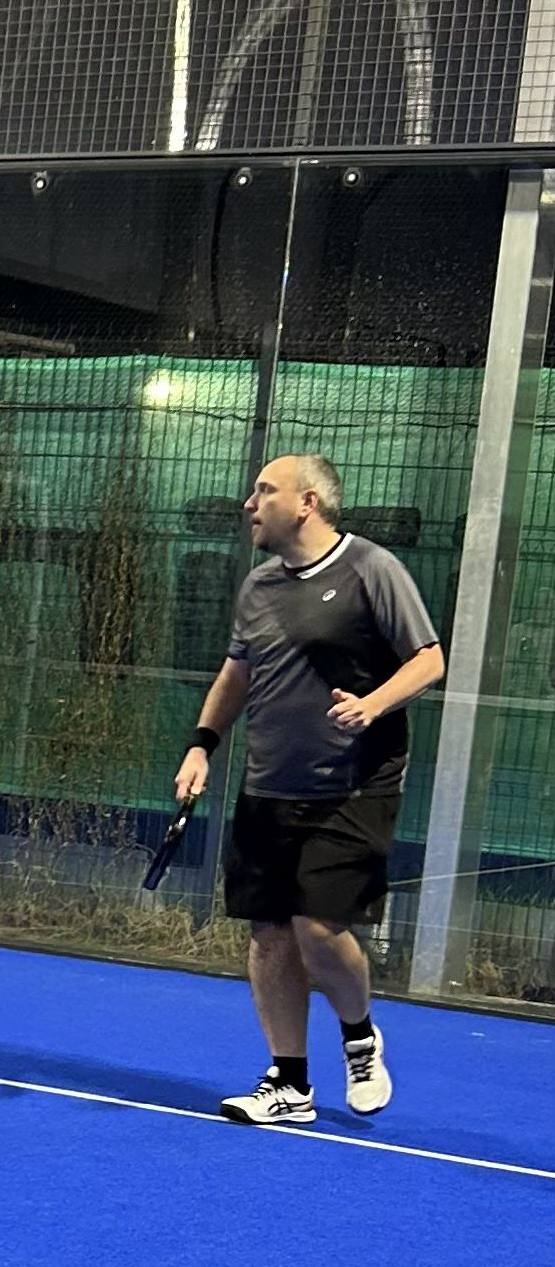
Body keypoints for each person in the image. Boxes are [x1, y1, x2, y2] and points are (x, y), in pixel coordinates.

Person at [175, 455, 445, 1124]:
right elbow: (237, 674)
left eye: (265, 491)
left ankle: (359, 1037)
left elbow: (428, 659)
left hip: (355, 785)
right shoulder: (259, 586)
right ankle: (289, 1084)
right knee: (270, 934)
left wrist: (373, 705)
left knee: (317, 927)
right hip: (268, 785)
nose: (249, 503)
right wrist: (202, 744)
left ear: (308, 503)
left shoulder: (372, 569)